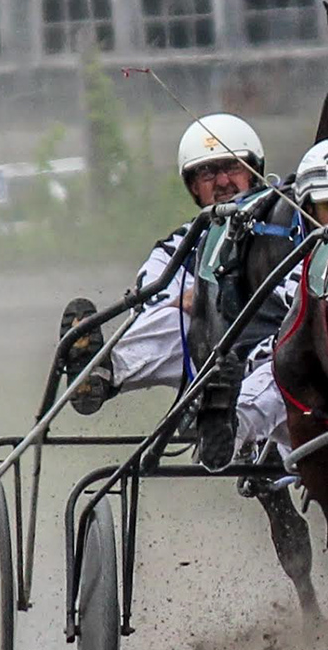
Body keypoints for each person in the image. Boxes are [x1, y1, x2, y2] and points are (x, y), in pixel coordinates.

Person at [58, 114, 306, 476]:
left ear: (253, 170)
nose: (222, 182)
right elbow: (151, 300)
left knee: (283, 359)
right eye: (208, 174)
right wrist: (200, 296)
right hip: (213, 362)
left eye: (231, 168)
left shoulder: (292, 219)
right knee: (174, 318)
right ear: (193, 188)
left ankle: (227, 426)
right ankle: (104, 370)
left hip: (283, 357)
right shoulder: (181, 245)